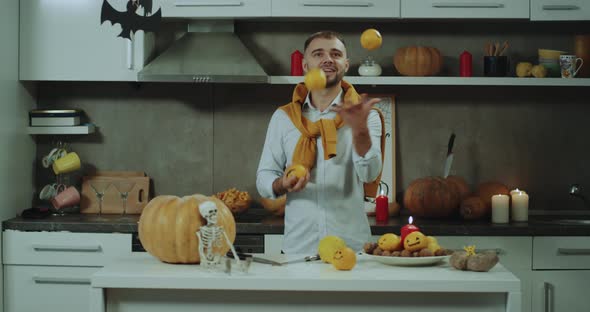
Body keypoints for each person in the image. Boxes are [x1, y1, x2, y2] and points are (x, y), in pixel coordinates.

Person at [256, 31, 384, 255]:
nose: (328, 59)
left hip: (353, 249)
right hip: (299, 248)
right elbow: (264, 177)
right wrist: (282, 183)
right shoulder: (284, 117)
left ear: (345, 64)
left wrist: (360, 130)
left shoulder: (365, 116)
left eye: (335, 54)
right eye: (318, 54)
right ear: (305, 65)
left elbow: (370, 175)